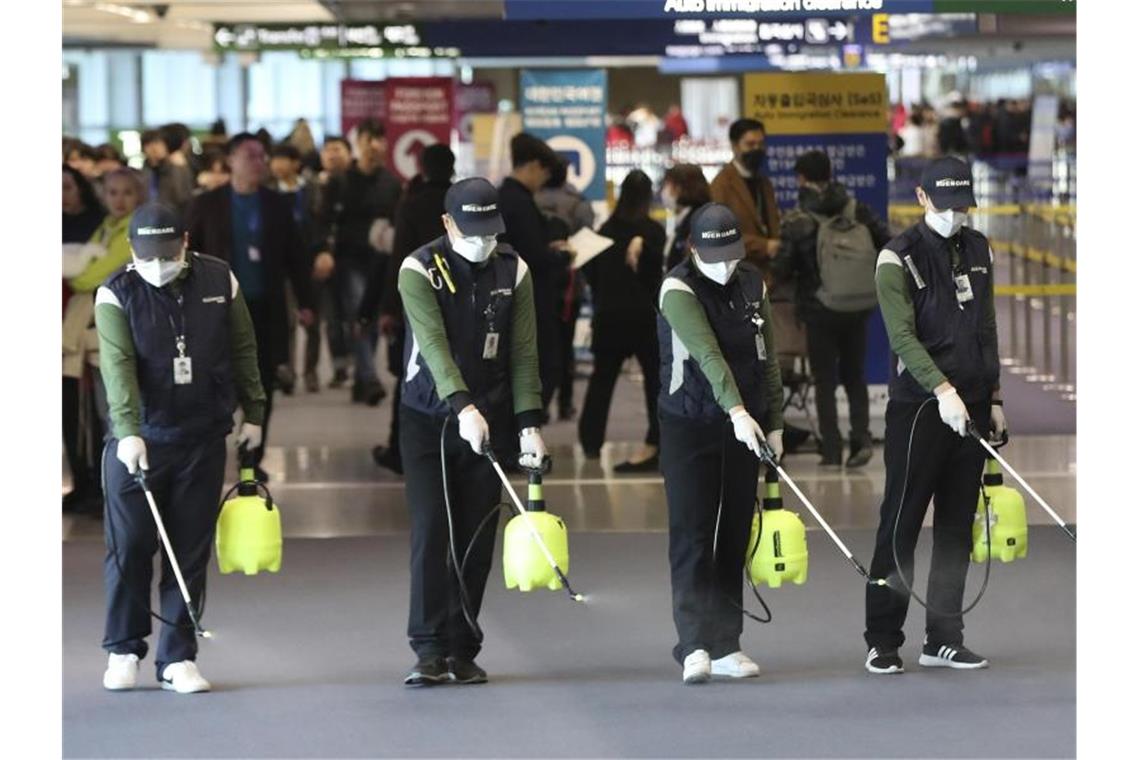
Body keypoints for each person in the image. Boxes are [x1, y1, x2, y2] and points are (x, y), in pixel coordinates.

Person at [95, 202, 265, 694]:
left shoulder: (220, 280)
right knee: (129, 547)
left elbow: (243, 350)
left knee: (188, 550)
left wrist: (253, 412)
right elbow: (118, 368)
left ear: (185, 243)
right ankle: (123, 647)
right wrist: (128, 430)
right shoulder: (116, 293)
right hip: (139, 440)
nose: (158, 265)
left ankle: (177, 657)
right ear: (132, 251)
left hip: (202, 437)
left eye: (166, 255)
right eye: (146, 257)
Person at [397, 178, 546, 686]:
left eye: (490, 230)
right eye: (472, 230)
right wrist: (461, 406)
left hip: (494, 414)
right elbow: (434, 348)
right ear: (447, 224)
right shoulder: (418, 269)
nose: (483, 241)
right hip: (429, 418)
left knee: (477, 537)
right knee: (433, 530)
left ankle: (463, 646)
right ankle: (427, 648)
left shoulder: (514, 269)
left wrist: (528, 424)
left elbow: (523, 352)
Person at [864, 157, 1004, 675]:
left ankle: (943, 637)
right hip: (920, 408)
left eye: (962, 207)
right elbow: (901, 337)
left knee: (954, 526)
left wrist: (994, 397)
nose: (955, 216)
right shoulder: (895, 258)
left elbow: (986, 325)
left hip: (970, 404)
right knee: (900, 523)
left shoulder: (980, 247)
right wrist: (942, 389)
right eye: (945, 206)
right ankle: (882, 638)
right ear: (922, 199)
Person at [657, 202, 784, 684]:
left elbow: (766, 356)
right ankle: (692, 643)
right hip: (690, 424)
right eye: (716, 255)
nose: (727, 265)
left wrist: (773, 422)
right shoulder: (677, 288)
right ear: (693, 249)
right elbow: (708, 355)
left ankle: (727, 642)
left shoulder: (753, 282)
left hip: (746, 424)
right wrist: (736, 411)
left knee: (733, 532)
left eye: (733, 254)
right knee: (692, 534)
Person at [185, 132, 316, 480]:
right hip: (218, 310)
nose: (259, 162)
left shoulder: (276, 204)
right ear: (230, 161)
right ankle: (212, 452)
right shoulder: (208, 203)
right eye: (250, 156)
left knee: (262, 384)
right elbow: (189, 253)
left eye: (262, 156)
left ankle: (251, 457)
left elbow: (296, 257)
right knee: (218, 382)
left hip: (266, 307)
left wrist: (306, 302)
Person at [772, 150, 892, 468]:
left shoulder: (798, 219)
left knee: (825, 379)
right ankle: (861, 439)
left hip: (819, 307)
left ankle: (831, 447)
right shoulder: (858, 210)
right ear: (830, 174)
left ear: (801, 178)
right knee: (855, 375)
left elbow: (782, 266)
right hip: (858, 304)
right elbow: (887, 241)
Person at [361, 143, 456, 474]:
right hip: (459, 301)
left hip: (417, 303)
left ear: (424, 169)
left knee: (409, 376)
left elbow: (400, 260)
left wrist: (389, 308)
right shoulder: (460, 204)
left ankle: (401, 450)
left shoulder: (412, 206)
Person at [578, 170, 664, 471]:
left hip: (610, 315)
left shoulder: (604, 231)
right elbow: (656, 276)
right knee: (655, 382)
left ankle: (590, 442)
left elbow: (589, 272)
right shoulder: (653, 232)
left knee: (601, 382)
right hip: (644, 317)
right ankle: (657, 437)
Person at [320, 119, 403, 405]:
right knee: (358, 310)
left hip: (380, 260)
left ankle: (360, 381)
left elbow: (396, 222)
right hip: (349, 259)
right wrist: (323, 251)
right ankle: (368, 376)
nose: (376, 147)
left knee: (371, 316)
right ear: (359, 144)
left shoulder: (391, 184)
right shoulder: (341, 181)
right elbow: (325, 219)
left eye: (381, 141)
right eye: (370, 140)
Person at [497, 132, 568, 413]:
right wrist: (560, 255)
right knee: (545, 366)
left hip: (512, 298)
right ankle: (525, 427)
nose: (543, 181)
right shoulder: (520, 202)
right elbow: (533, 256)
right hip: (531, 300)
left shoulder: (505, 198)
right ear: (533, 166)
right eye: (544, 172)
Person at [535, 158, 595, 422]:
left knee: (538, 347)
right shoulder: (578, 202)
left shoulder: (531, 200)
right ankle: (566, 401)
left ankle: (540, 402)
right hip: (569, 287)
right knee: (566, 345)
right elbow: (587, 239)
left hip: (537, 284)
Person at [270, 143, 325, 394]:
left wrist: (323, 251)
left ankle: (310, 371)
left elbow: (319, 221)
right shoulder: (269, 192)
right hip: (280, 263)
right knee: (286, 320)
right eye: (274, 160)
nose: (277, 165)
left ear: (295, 163)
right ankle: (287, 371)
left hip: (310, 259)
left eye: (283, 160)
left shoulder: (310, 189)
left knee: (312, 317)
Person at [709, 118, 780, 266]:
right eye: (750, 144)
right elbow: (718, 234)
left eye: (760, 144)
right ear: (735, 146)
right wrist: (763, 246)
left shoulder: (764, 182)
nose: (757, 149)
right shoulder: (722, 184)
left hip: (769, 273)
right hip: (740, 272)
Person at [661, 163, 711, 271]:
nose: (664, 191)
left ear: (679, 188)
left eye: (667, 185)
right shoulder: (686, 218)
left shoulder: (698, 221)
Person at [141, 129, 194, 213]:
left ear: (166, 146)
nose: (153, 148)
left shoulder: (178, 168)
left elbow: (185, 197)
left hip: (174, 217)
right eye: (148, 144)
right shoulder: (142, 173)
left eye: (157, 143)